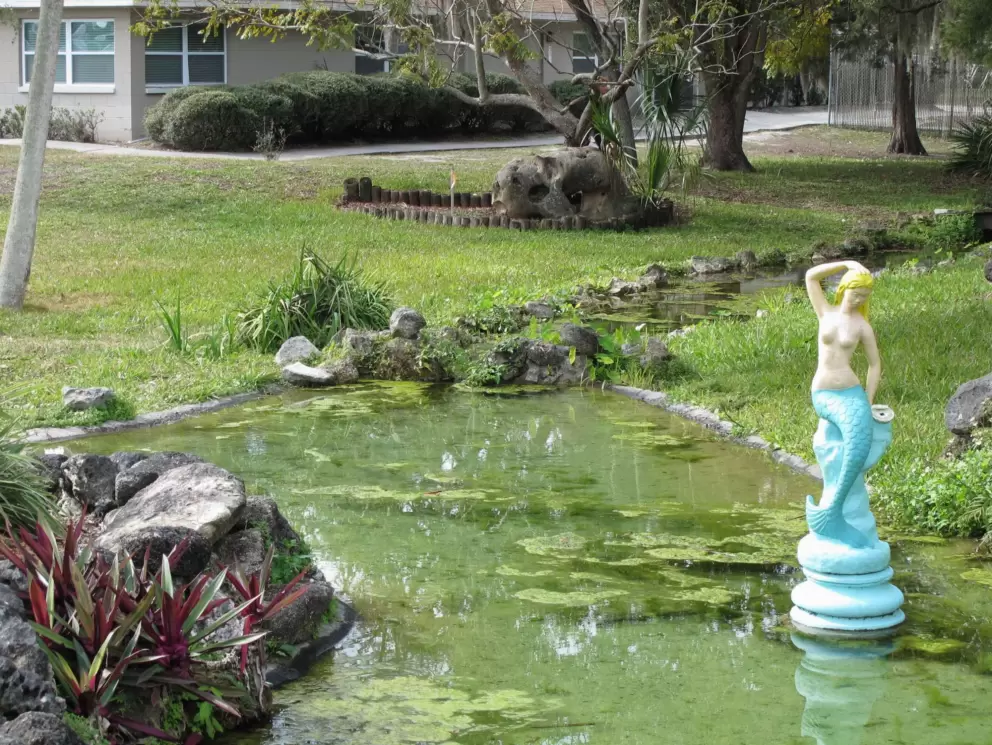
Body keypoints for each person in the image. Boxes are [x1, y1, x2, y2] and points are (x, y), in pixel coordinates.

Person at [803, 260, 880, 548]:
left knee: (859, 444)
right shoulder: (825, 312)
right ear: (844, 288)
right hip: (824, 392)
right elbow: (811, 277)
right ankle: (832, 514)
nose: (859, 299)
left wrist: (867, 401)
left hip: (852, 391)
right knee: (851, 437)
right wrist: (846, 263)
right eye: (855, 293)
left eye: (864, 296)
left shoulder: (862, 326)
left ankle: (834, 510)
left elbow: (875, 365)